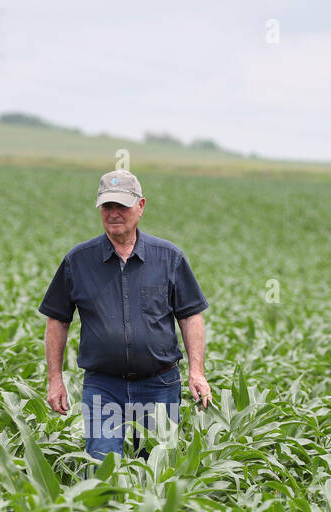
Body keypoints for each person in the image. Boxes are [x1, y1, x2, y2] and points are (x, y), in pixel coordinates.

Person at [39, 169, 212, 463]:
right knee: (102, 466)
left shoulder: (168, 258)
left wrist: (197, 371)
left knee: (157, 469)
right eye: (108, 206)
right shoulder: (78, 261)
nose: (114, 213)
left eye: (122, 205)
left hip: (159, 386)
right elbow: (58, 319)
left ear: (141, 206)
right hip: (104, 387)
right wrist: (54, 378)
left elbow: (190, 316)